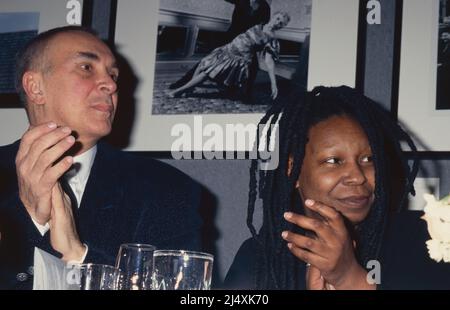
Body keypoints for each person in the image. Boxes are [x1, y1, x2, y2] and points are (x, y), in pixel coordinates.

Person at [0, 26, 202, 290]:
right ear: (35, 87)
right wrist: (30, 221)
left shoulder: (167, 190)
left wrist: (78, 256)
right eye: (86, 68)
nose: (111, 84)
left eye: (113, 74)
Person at [224, 86, 450, 289]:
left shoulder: (428, 238)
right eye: (333, 161)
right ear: (293, 170)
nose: (357, 177)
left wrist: (350, 279)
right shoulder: (259, 257)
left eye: (369, 159)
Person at [168, 12, 290, 101]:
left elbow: (269, 62)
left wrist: (273, 84)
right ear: (273, 16)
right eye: (278, 18)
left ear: (282, 27)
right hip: (227, 48)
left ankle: (180, 91)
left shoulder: (272, 39)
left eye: (281, 23)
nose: (278, 23)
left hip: (237, 58)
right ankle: (190, 87)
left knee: (207, 72)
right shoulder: (260, 23)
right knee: (202, 63)